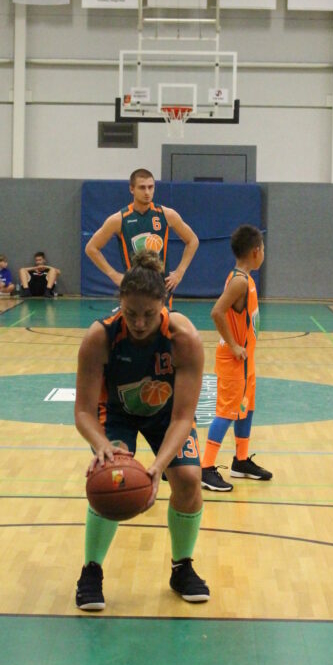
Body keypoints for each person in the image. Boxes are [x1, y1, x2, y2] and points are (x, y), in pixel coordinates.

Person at [74, 250, 209, 611]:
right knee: (111, 475)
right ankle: (91, 571)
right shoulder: (99, 337)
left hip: (166, 415)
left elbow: (183, 417)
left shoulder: (185, 339)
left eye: (148, 314)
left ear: (163, 305)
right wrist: (101, 445)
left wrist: (157, 468)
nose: (138, 322)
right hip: (117, 413)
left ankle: (182, 567)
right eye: (130, 313)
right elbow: (83, 412)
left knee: (188, 479)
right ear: (120, 303)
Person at [200, 224, 272, 492]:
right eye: (263, 249)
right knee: (227, 412)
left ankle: (241, 461)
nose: (263, 253)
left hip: (246, 362)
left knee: (246, 408)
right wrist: (233, 345)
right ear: (255, 251)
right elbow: (216, 312)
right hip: (234, 361)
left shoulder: (245, 278)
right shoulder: (239, 282)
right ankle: (206, 468)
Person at [85, 167, 199, 301]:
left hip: (160, 288)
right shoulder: (119, 219)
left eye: (151, 187)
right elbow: (91, 248)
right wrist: (114, 275)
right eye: (142, 187)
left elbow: (192, 240)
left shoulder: (167, 214)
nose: (147, 192)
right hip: (133, 287)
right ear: (131, 189)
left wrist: (180, 272)